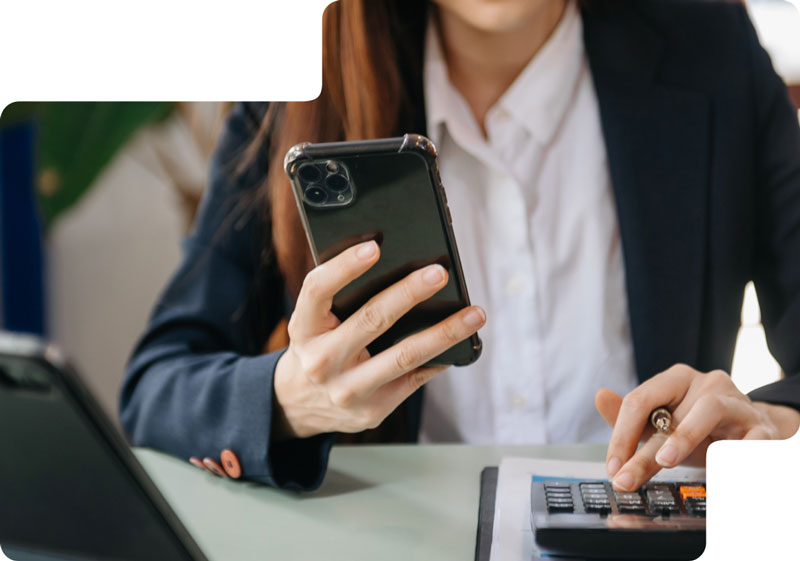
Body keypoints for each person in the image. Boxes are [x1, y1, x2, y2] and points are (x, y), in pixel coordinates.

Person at [120, 0, 800, 493]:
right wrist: (291, 400)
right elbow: (157, 386)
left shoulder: (712, 48)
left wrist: (770, 421)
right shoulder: (305, 84)